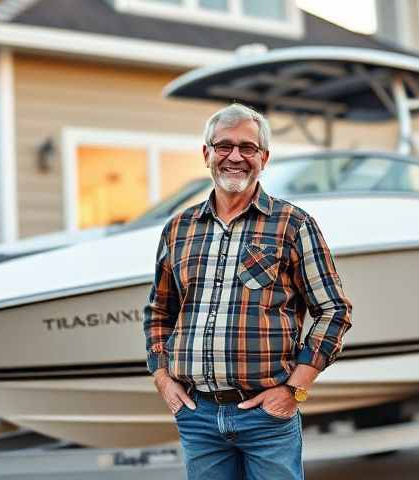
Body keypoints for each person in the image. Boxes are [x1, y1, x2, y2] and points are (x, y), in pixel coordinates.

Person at [143, 103, 353, 480]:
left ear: (264, 157)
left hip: (267, 418)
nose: (235, 157)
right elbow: (159, 312)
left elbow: (334, 311)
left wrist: (295, 390)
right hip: (198, 417)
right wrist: (162, 377)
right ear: (206, 154)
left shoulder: (293, 225)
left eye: (247, 147)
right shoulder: (179, 229)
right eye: (224, 146)